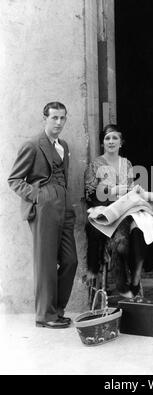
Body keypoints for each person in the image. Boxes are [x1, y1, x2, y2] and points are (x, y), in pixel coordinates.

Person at [7, 102, 78, 328]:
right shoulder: (32, 145)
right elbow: (14, 180)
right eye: (54, 118)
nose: (58, 122)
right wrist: (39, 196)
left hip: (65, 207)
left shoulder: (64, 146)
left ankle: (56, 310)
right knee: (46, 263)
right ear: (44, 118)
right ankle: (45, 317)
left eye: (62, 118)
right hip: (45, 209)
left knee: (70, 261)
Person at [84, 124, 153, 299]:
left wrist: (135, 192)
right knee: (117, 242)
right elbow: (88, 193)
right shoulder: (95, 165)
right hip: (103, 210)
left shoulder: (127, 164)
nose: (111, 141)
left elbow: (130, 191)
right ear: (103, 143)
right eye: (107, 138)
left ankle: (134, 277)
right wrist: (111, 191)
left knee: (137, 234)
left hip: (123, 210)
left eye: (114, 138)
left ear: (121, 143)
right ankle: (120, 282)